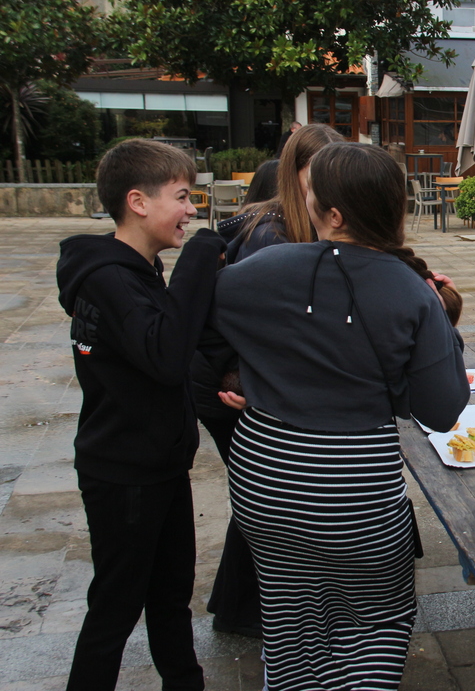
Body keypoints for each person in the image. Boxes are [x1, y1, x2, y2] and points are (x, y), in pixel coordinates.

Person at [211, 142, 471, 690]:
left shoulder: (258, 269)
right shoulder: (412, 290)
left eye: (308, 195)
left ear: (332, 214)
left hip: (264, 476)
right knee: (374, 621)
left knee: (288, 615)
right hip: (353, 487)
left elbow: (203, 328)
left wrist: (248, 374)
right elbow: (442, 409)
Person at [55, 139, 226, 690]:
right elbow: (165, 356)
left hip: (160, 464)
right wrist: (198, 259)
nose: (192, 209)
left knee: (171, 594)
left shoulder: (138, 269)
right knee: (116, 605)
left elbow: (175, 339)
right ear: (138, 201)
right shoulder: (108, 277)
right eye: (182, 196)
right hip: (123, 474)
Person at [191, 157, 280, 639]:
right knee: (261, 499)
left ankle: (234, 606)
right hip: (225, 385)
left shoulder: (248, 229)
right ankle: (240, 611)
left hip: (220, 378)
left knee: (255, 498)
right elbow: (255, 324)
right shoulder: (267, 237)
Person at [231, 123, 345, 263]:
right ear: (292, 175)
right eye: (315, 179)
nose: (327, 189)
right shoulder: (268, 237)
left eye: (335, 178)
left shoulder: (340, 224)